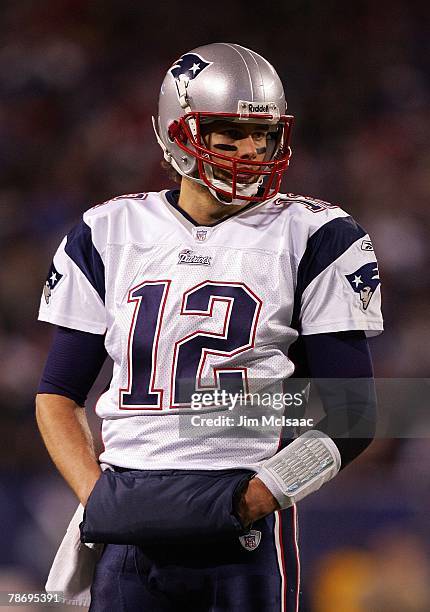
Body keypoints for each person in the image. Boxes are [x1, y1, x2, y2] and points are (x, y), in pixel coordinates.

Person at [36, 43, 383, 612]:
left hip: (243, 522)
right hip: (128, 520)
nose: (253, 150)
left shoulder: (317, 233)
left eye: (264, 134)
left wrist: (252, 498)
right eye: (230, 134)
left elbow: (354, 415)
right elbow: (57, 394)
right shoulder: (107, 229)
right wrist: (98, 497)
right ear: (178, 133)